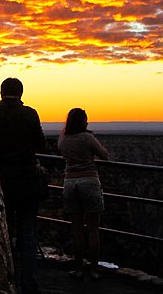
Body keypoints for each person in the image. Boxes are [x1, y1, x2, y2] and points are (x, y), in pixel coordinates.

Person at [0, 77, 48, 294]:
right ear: (21, 93)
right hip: (27, 181)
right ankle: (29, 284)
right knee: (27, 234)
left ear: (1, 93)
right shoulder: (30, 114)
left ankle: (5, 281)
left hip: (0, 183)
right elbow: (41, 143)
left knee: (3, 233)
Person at [58, 107, 110, 280]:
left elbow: (61, 149)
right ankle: (94, 270)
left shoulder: (63, 139)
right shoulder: (87, 138)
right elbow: (105, 156)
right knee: (93, 230)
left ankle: (78, 268)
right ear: (83, 121)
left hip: (70, 183)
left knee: (77, 229)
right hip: (89, 181)